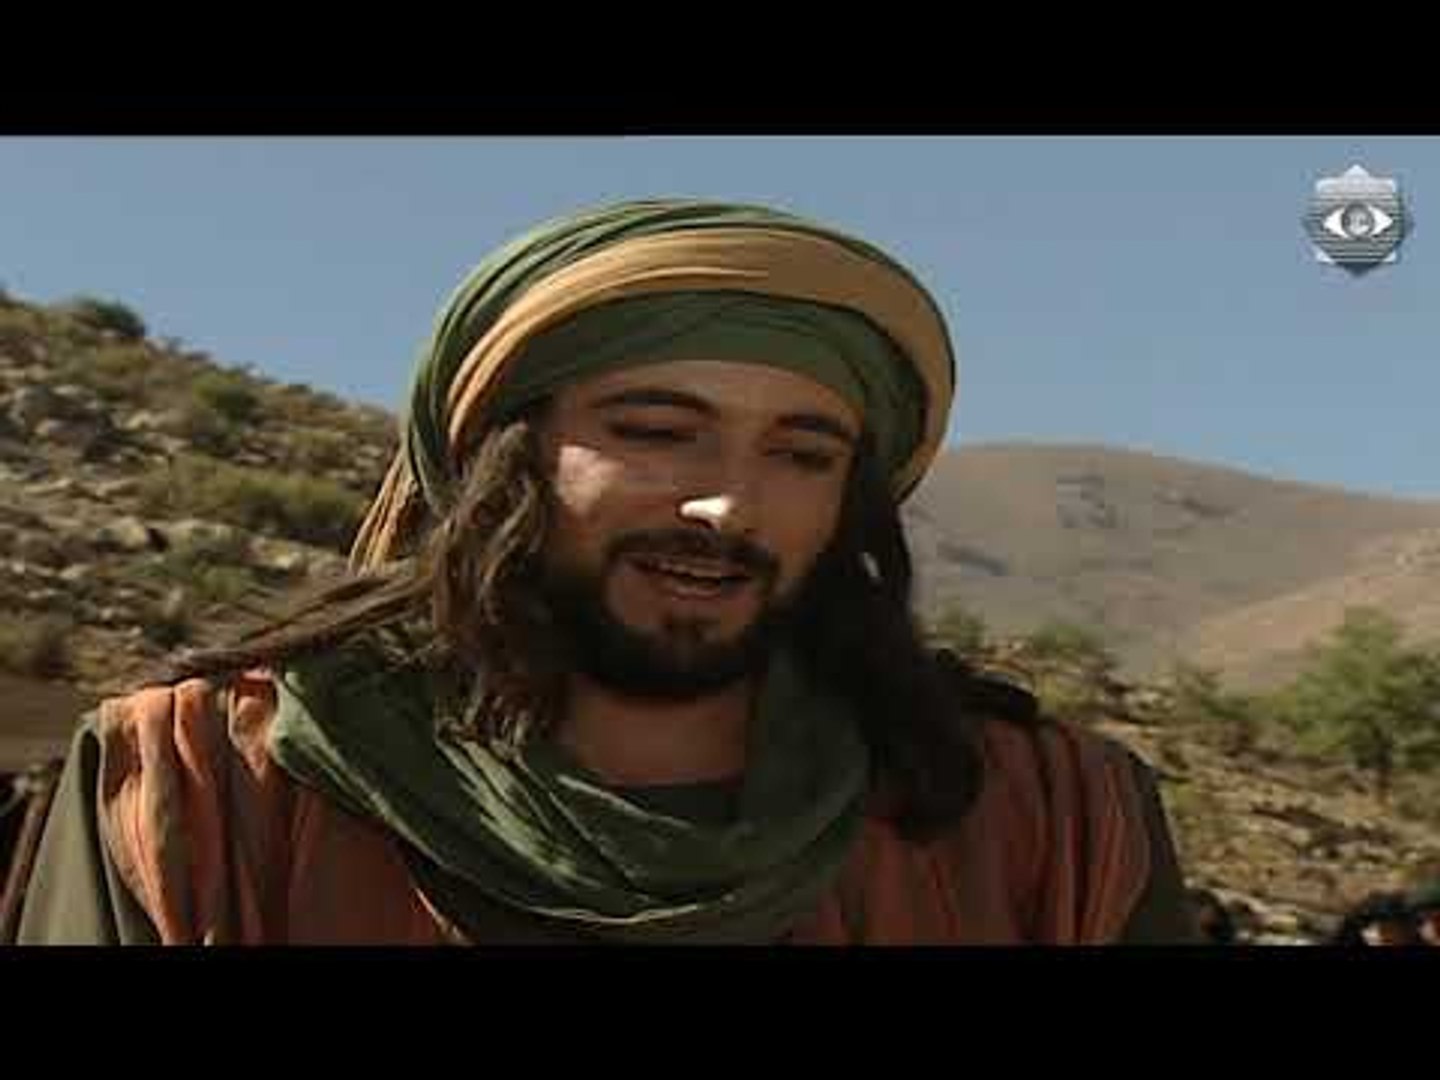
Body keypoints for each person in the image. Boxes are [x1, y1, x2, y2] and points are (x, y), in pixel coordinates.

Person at [15, 199, 1194, 945]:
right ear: (502, 459)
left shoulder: (1047, 821)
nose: (729, 503)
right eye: (656, 431)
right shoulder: (206, 790)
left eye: (802, 453)